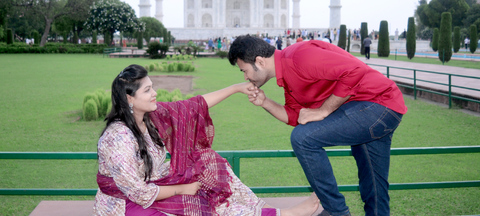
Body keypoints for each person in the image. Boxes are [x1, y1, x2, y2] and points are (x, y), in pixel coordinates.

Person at [93, 64, 319, 216]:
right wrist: (183, 189)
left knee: (210, 164)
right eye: (148, 90)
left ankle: (267, 211)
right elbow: (138, 193)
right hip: (125, 204)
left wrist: (236, 88)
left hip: (156, 185)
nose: (155, 93)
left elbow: (192, 106)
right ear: (129, 98)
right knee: (201, 205)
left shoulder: (150, 117)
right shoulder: (118, 138)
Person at [228, 35, 407, 216]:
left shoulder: (300, 56)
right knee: (374, 185)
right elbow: (296, 117)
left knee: (303, 138)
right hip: (379, 109)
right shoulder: (288, 76)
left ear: (260, 61)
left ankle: (336, 211)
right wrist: (265, 102)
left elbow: (354, 72)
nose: (245, 77)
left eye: (244, 70)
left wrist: (324, 110)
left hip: (377, 105)